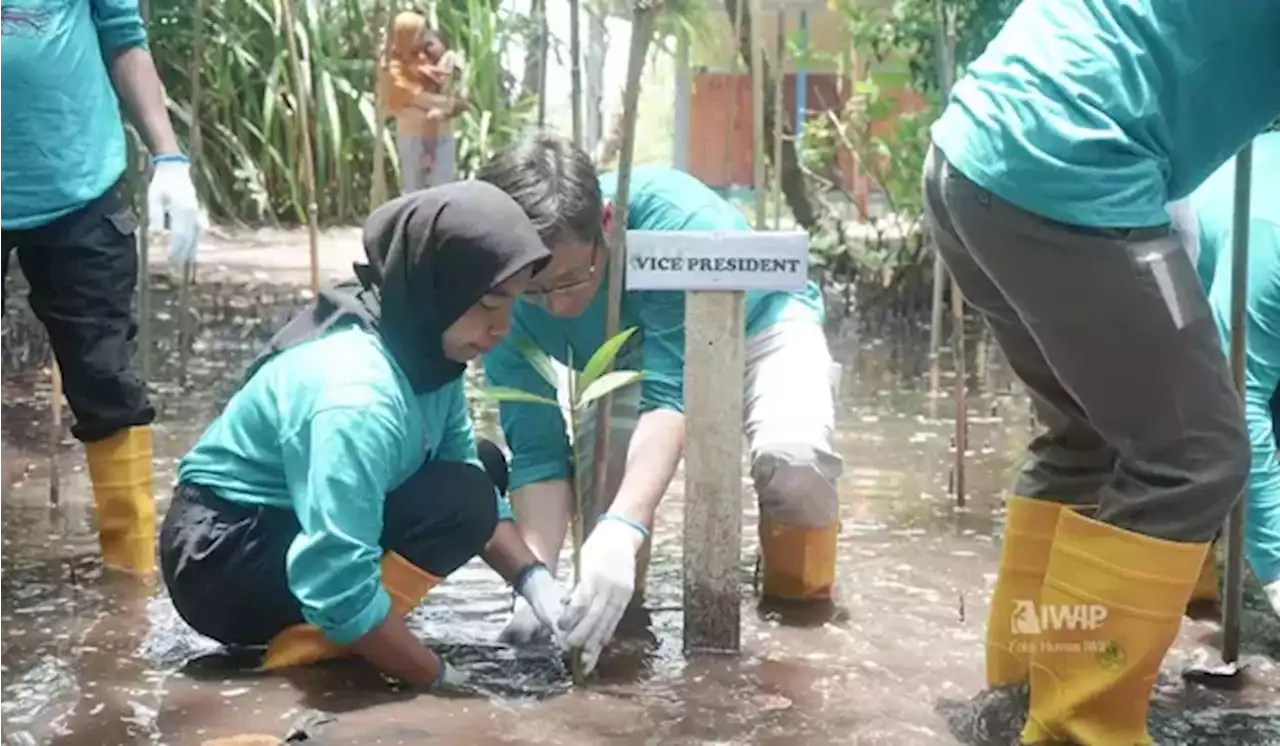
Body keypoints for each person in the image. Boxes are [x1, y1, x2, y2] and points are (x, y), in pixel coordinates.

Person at [923, 1, 1275, 742]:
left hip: (975, 151)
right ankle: (1074, 730)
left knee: (1086, 439)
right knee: (1196, 456)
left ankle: (1019, 699)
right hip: (1070, 161)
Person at [159, 182, 566, 690]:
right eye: (487, 302)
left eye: (512, 304)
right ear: (436, 285)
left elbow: (465, 465)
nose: (501, 327)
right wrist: (440, 680)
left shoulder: (425, 347)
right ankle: (324, 640)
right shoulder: (356, 394)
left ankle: (364, 630)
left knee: (479, 470)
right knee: (460, 500)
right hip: (221, 561)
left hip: (279, 523)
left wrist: (535, 582)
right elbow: (333, 573)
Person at [478, 134, 843, 675]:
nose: (556, 306)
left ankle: (798, 619)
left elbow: (669, 397)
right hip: (631, 352)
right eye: (535, 292)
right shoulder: (496, 289)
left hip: (760, 323)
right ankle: (621, 649)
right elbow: (536, 448)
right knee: (607, 502)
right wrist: (533, 577)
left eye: (573, 280)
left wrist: (627, 525)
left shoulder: (673, 223)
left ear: (605, 223)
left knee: (795, 467)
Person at [1, 0, 202, 577]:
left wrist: (169, 158)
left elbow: (122, 39)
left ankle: (132, 584)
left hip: (78, 187)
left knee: (107, 381)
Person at [1171, 132, 1280, 620]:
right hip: (1182, 264)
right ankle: (1190, 598)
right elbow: (1241, 399)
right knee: (1191, 443)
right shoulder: (1268, 242)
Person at [379, 14, 466, 193]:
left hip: (441, 135)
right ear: (406, 36)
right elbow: (415, 97)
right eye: (419, 34)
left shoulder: (423, 58)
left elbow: (443, 81)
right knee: (413, 192)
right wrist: (450, 104)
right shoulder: (391, 68)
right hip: (412, 138)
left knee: (442, 192)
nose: (423, 39)